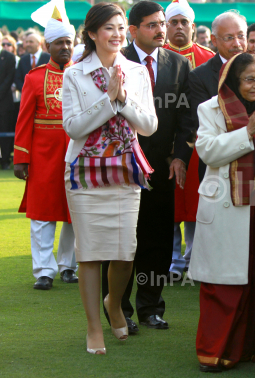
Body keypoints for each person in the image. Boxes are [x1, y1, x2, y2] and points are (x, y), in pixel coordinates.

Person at [191, 52, 255, 372]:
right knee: (223, 282)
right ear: (233, 81)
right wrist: (246, 132)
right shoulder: (209, 108)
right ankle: (216, 350)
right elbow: (209, 152)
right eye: (250, 78)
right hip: (226, 207)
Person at [62, 2, 157, 354]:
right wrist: (108, 99)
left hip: (124, 171)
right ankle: (92, 328)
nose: (117, 34)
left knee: (124, 252)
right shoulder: (74, 74)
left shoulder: (136, 71)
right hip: (84, 174)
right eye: (109, 28)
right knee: (88, 254)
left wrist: (123, 99)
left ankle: (114, 303)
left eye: (121, 27)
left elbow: (149, 125)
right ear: (91, 33)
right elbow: (72, 127)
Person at [101, 0, 194, 334]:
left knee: (157, 239)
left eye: (162, 23)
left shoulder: (180, 65)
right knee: (121, 240)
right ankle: (118, 309)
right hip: (121, 165)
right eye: (152, 24)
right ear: (134, 29)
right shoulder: (114, 61)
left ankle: (151, 308)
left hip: (161, 168)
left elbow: (187, 117)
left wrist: (180, 155)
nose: (161, 30)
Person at [13, 4, 78, 291]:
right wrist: (21, 157)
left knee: (75, 212)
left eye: (69, 42)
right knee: (42, 215)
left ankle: (68, 266)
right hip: (42, 157)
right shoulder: (34, 77)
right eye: (59, 42)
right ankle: (43, 270)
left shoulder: (83, 74)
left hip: (77, 154)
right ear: (48, 44)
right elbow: (24, 120)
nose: (65, 47)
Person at [188, 11, 255, 183]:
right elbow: (200, 126)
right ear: (214, 40)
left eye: (241, 36)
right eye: (229, 38)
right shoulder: (200, 76)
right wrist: (248, 131)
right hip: (220, 172)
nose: (237, 43)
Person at [163, 0, 214, 280]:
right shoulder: (155, 57)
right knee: (169, 202)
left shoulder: (208, 58)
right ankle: (172, 261)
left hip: (200, 144)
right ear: (166, 26)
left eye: (184, 22)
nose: (179, 27)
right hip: (163, 145)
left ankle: (193, 258)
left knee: (196, 202)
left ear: (193, 27)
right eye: (174, 22)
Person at [0, 31, 16, 170]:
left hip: (4, 103)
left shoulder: (10, 57)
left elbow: (9, 78)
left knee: (5, 132)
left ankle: (5, 161)